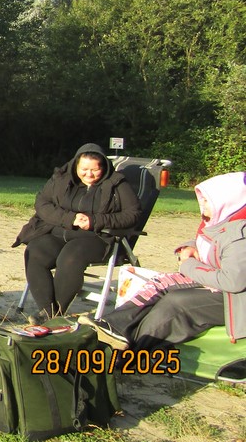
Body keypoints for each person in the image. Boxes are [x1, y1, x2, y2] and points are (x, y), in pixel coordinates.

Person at [81, 171, 246, 350]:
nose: (202, 204)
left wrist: (188, 265)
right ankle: (114, 326)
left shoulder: (240, 235)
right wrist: (189, 247)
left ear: (227, 201)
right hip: (216, 283)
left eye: (207, 201)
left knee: (175, 303)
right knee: (160, 283)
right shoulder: (221, 221)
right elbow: (214, 243)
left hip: (235, 298)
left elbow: (233, 281)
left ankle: (131, 350)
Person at [12, 143, 141, 322]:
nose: (89, 174)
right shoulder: (61, 178)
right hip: (60, 231)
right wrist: (69, 218)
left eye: (95, 170)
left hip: (96, 237)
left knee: (71, 256)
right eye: (84, 169)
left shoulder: (117, 183)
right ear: (75, 165)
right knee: (35, 251)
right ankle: (48, 312)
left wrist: (94, 221)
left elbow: (133, 214)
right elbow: (42, 203)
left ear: (104, 167)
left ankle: (54, 315)